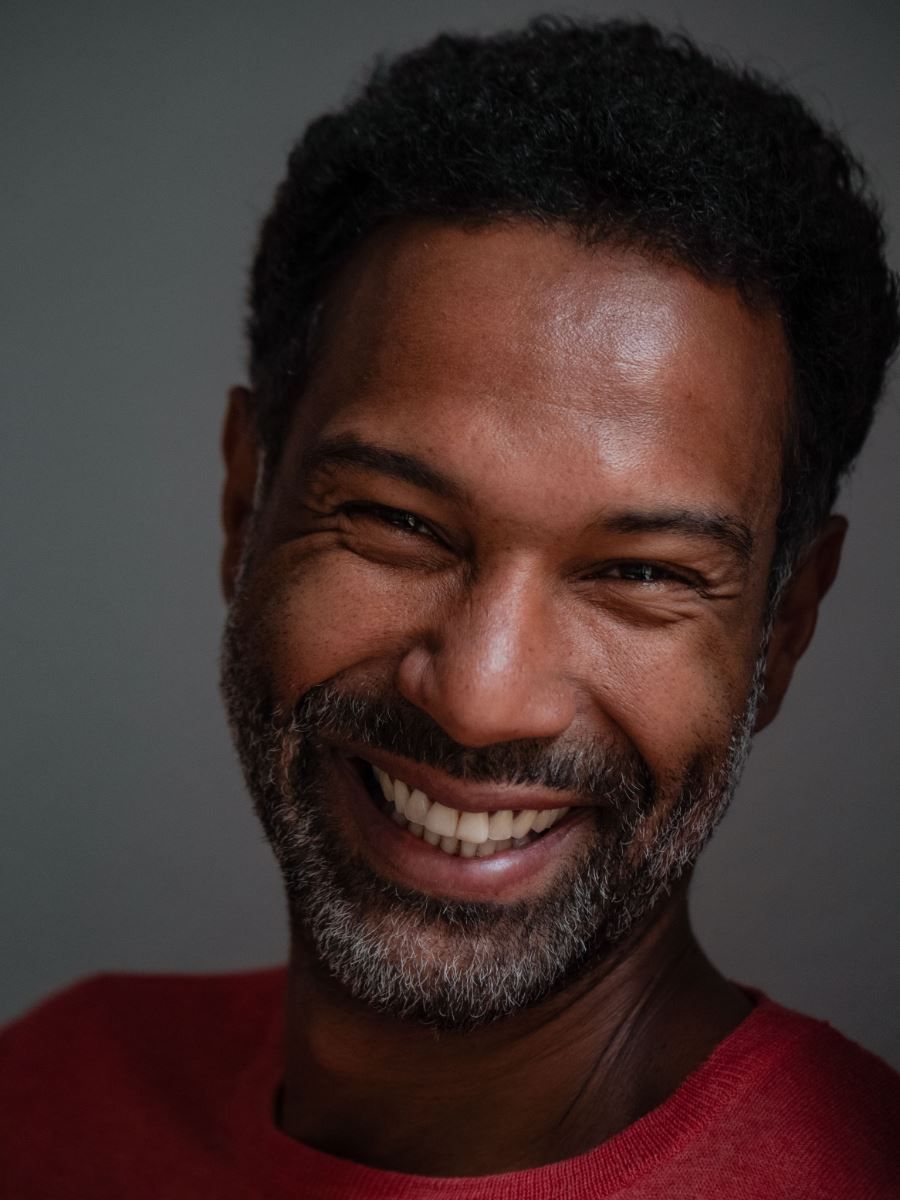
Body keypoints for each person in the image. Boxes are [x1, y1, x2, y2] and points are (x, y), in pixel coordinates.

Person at [3, 17, 899, 1198]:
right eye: (399, 523)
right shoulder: (47, 1095)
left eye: (641, 574)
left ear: (783, 630)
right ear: (243, 501)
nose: (480, 698)